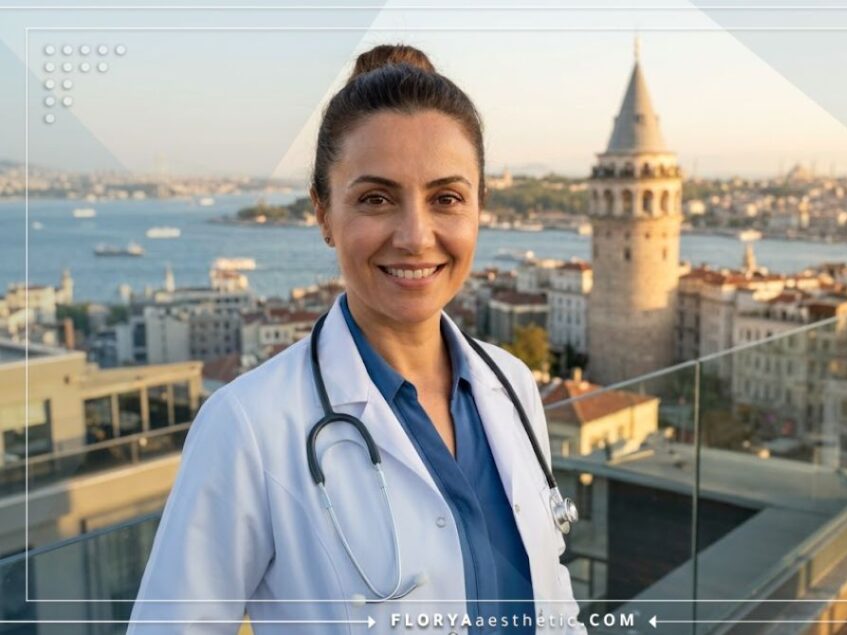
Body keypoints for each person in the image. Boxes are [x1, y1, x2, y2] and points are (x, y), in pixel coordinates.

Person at [127, 44, 586, 634]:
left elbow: (554, 596)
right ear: (322, 214)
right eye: (376, 199)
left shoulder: (514, 385)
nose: (417, 237)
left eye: (446, 198)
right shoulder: (248, 425)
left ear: (479, 209)